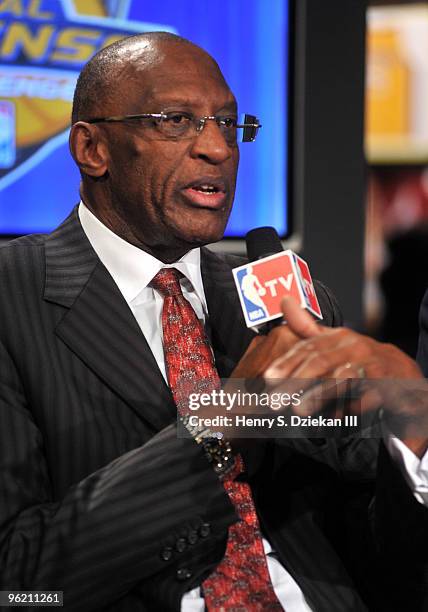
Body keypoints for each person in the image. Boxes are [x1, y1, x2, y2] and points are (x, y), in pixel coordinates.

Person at [0, 32, 427, 612]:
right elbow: (19, 585)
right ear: (91, 148)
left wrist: (412, 435)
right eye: (176, 120)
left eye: (229, 125)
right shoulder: (12, 295)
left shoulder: (296, 307)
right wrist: (224, 421)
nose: (218, 149)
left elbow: (388, 569)